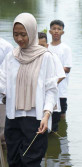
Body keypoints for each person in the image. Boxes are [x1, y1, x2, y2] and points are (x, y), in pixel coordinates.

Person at [0, 13, 57, 167]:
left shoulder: (45, 57)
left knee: (31, 162)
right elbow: (2, 84)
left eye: (23, 34)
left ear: (31, 33)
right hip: (13, 118)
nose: (19, 39)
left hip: (36, 119)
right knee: (14, 161)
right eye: (16, 34)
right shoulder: (11, 57)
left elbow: (51, 90)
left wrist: (46, 115)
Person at [38, 32, 65, 132]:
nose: (40, 49)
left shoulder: (52, 56)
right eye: (37, 46)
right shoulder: (32, 58)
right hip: (37, 100)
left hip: (50, 97)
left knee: (53, 130)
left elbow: (61, 76)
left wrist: (47, 85)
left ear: (47, 45)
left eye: (42, 46)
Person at [48, 20, 72, 119]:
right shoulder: (46, 47)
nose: (56, 31)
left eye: (59, 29)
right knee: (48, 112)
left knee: (62, 115)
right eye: (54, 29)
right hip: (48, 88)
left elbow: (67, 68)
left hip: (61, 89)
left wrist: (51, 69)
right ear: (50, 31)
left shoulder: (66, 48)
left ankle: (62, 133)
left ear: (62, 32)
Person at [0, 38, 13, 145]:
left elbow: (11, 72)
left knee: (3, 135)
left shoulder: (6, 47)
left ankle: (7, 160)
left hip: (2, 98)